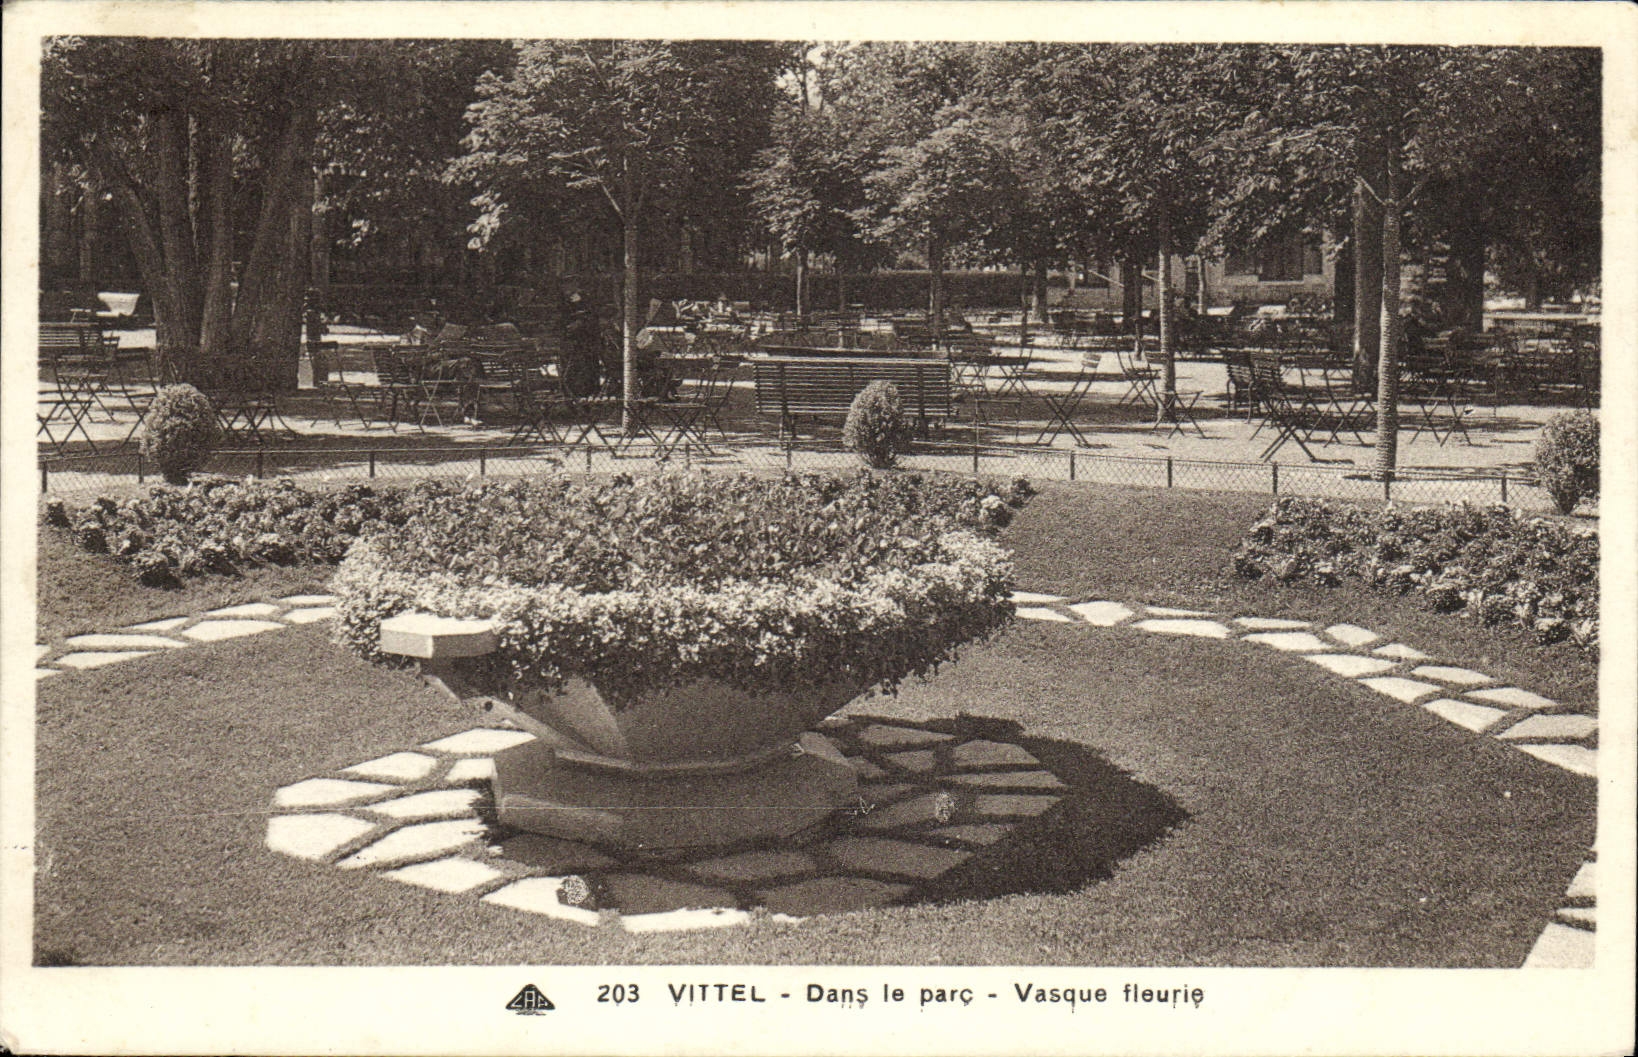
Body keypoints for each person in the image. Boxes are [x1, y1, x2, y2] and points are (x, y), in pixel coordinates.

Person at [560, 290, 601, 397]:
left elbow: (592, 321)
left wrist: (582, 323)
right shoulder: (564, 304)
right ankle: (576, 395)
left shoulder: (587, 301)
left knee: (589, 370)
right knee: (573, 373)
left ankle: (590, 394)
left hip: (587, 345)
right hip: (573, 345)